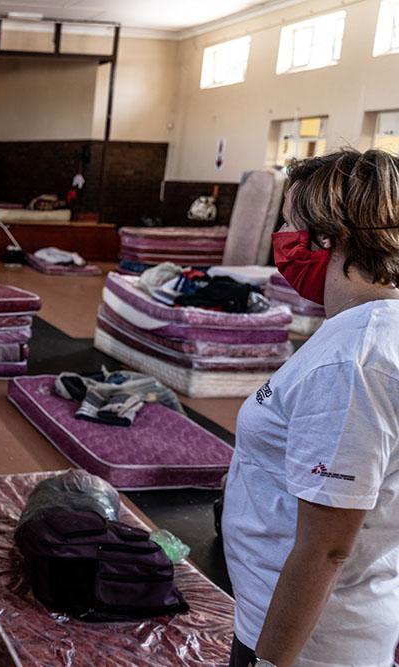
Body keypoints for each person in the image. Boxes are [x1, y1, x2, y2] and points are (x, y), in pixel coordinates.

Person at [223, 149, 399, 667]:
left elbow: (327, 549)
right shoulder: (364, 336)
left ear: (329, 236)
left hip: (307, 644)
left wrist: (270, 662)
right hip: (298, 622)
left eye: (289, 224)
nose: (282, 240)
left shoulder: (354, 362)